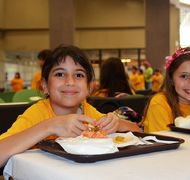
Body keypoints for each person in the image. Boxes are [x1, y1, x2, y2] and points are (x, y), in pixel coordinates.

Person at [0, 45, 140, 167]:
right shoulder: (37, 113)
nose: (70, 82)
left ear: (89, 87)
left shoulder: (87, 112)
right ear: (44, 85)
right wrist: (50, 126)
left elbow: (137, 131)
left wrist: (116, 123)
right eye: (60, 74)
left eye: (79, 75)